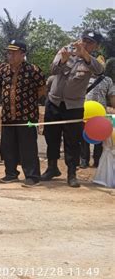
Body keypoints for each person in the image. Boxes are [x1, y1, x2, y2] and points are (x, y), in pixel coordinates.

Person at [42, 30, 104, 187]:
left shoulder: (92, 61)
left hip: (73, 106)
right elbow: (53, 70)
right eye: (84, 40)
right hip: (54, 102)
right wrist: (63, 60)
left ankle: (71, 173)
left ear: (95, 46)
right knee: (51, 136)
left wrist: (84, 55)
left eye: (89, 42)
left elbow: (99, 71)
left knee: (72, 140)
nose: (84, 43)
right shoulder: (66, 50)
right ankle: (52, 167)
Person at [0, 40, 46, 187]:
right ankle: (11, 174)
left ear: (23, 54)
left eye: (13, 52)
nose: (9, 55)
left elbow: (42, 89)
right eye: (8, 52)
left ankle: (32, 176)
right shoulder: (2, 70)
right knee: (8, 146)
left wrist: (28, 101)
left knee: (28, 147)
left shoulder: (33, 70)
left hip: (27, 116)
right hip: (7, 115)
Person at [80, 62, 114, 169]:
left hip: (100, 113)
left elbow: (112, 95)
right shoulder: (83, 77)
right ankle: (84, 160)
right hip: (85, 112)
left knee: (99, 137)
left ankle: (97, 160)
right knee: (84, 137)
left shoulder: (107, 80)